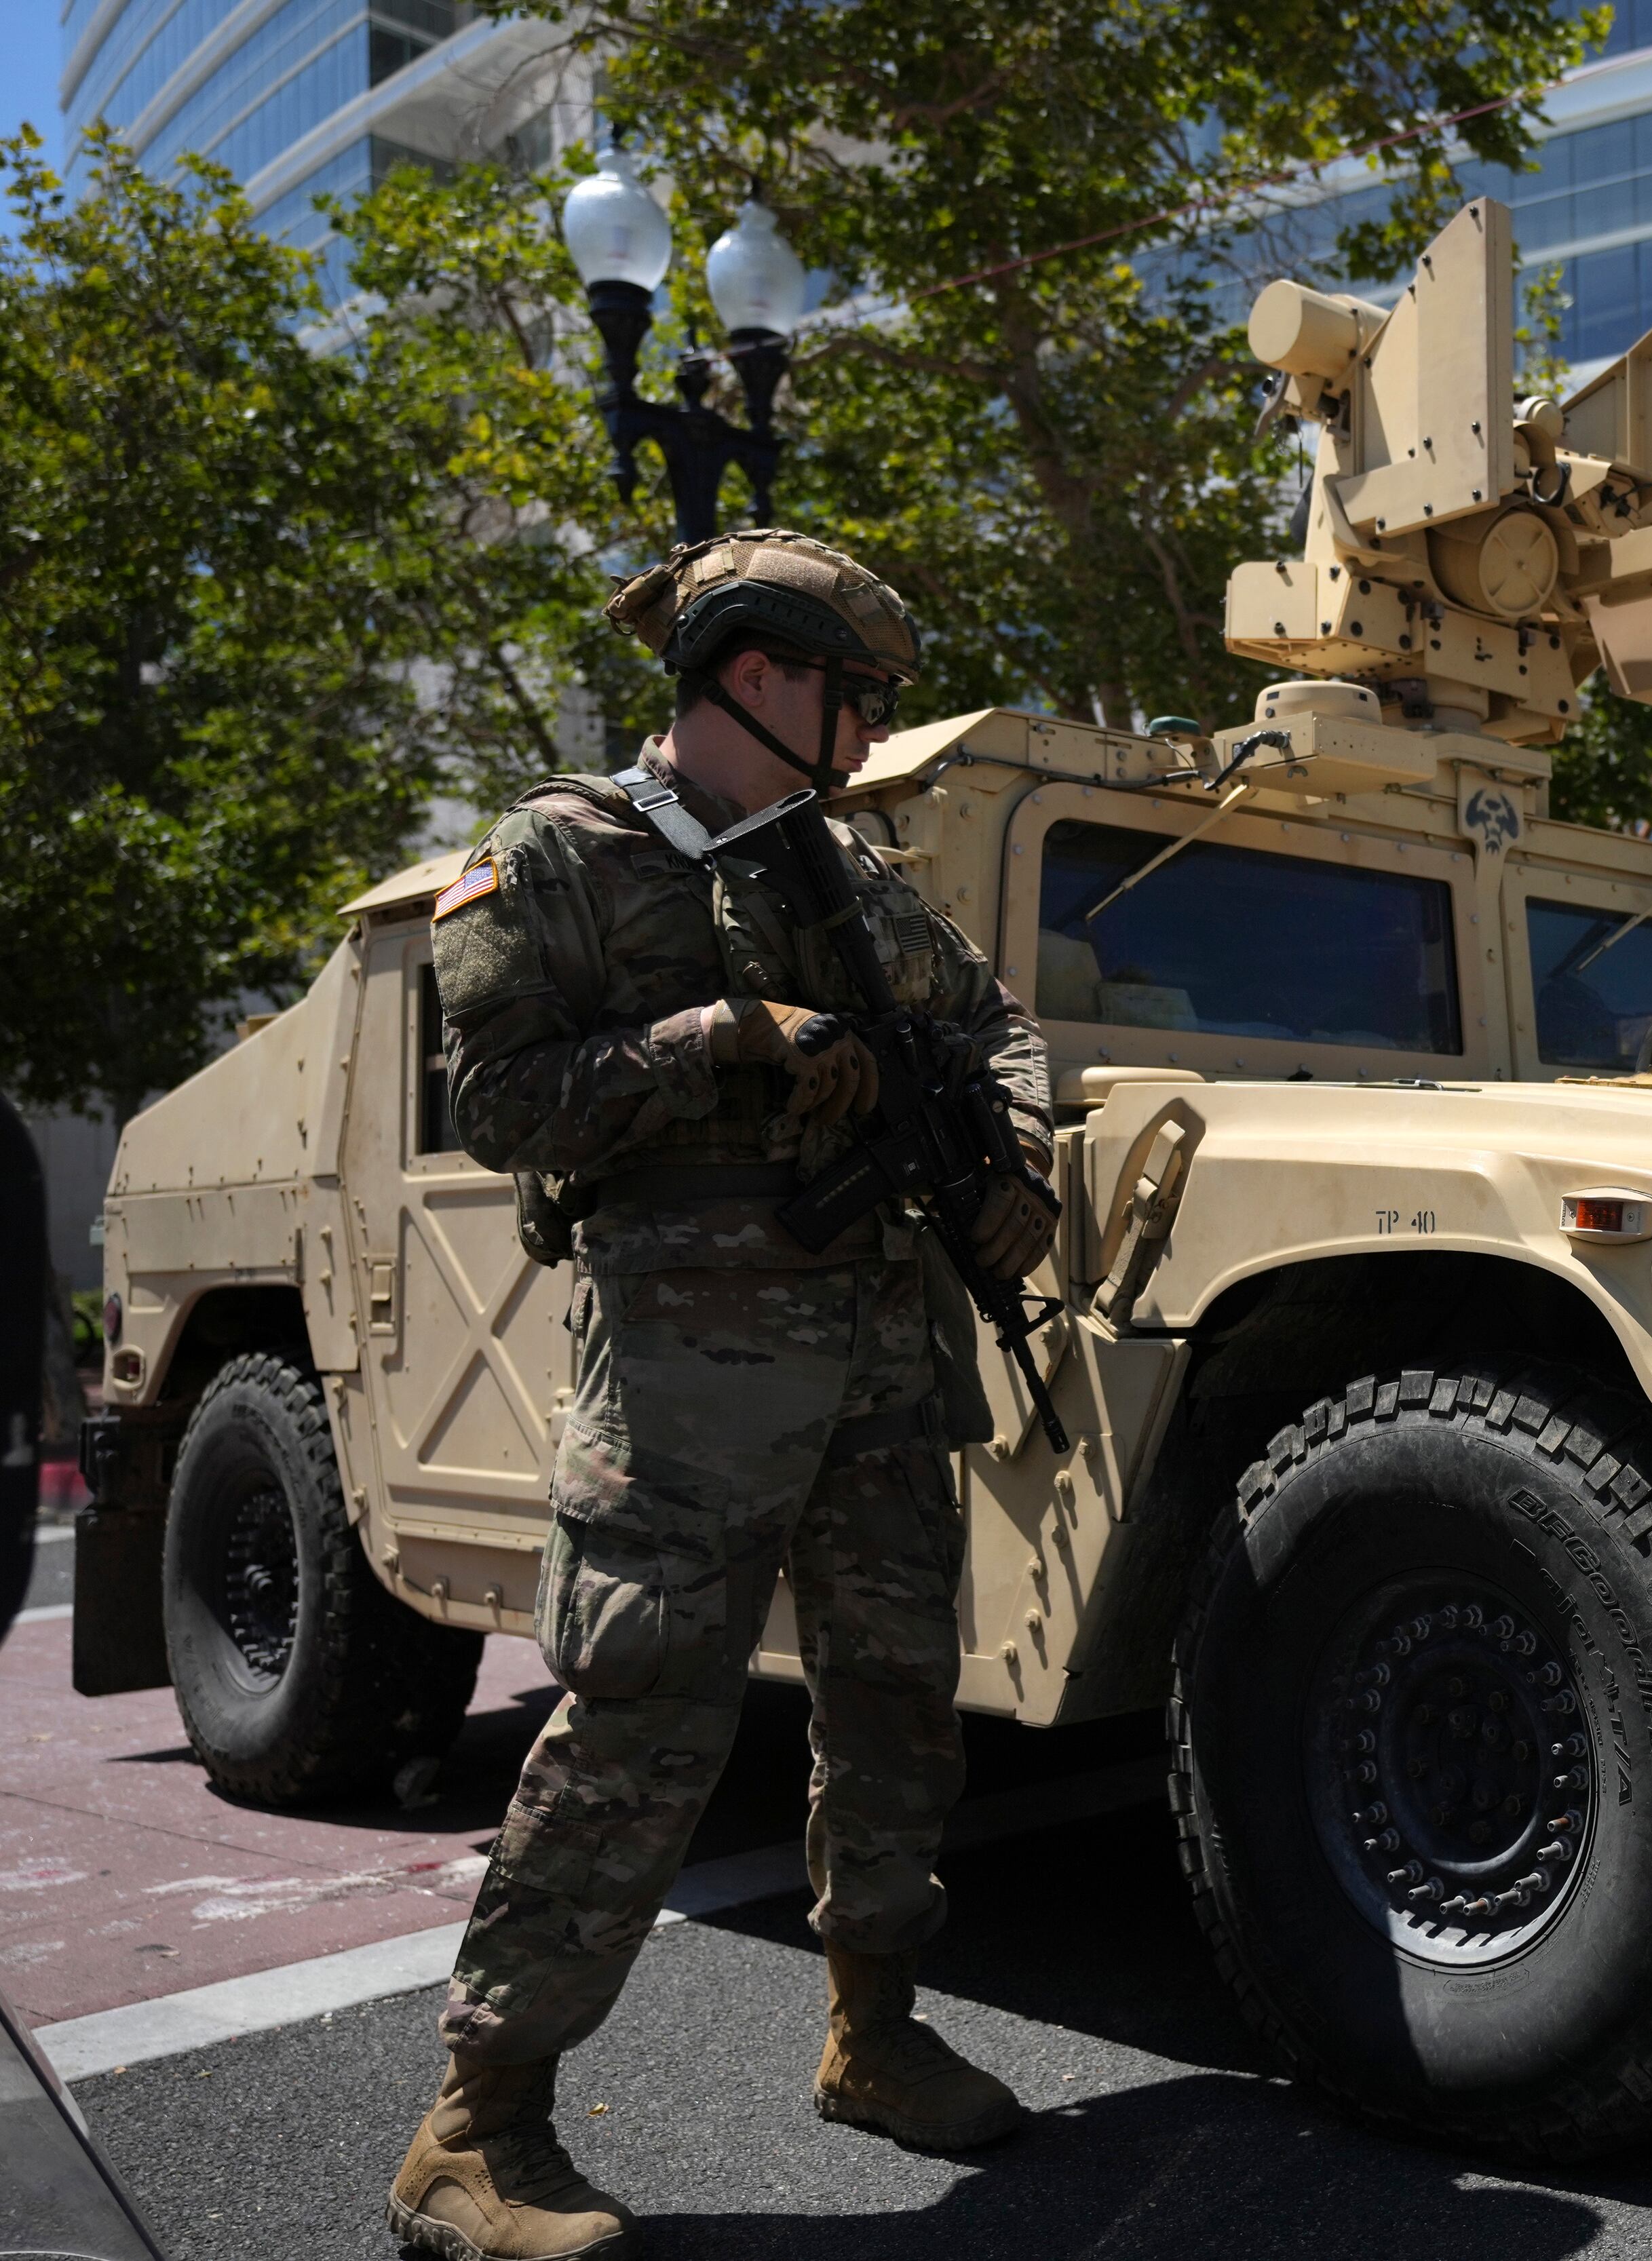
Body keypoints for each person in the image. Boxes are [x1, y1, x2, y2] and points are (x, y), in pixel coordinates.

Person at [393, 532, 1057, 2260]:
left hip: (881, 1364)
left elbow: (994, 1025)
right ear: (757, 674)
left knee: (899, 1704)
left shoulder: (839, 871)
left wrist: (1023, 1167)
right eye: (855, 694)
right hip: (685, 1389)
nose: (868, 728)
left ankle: (873, 2033)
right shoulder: (553, 857)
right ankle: (480, 2127)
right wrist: (711, 1043)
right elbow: (498, 1108)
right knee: (637, 1725)